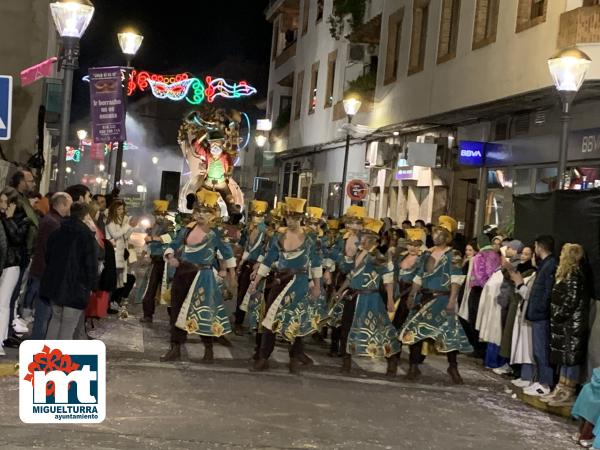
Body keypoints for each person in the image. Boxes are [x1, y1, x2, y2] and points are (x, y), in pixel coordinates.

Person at [160, 189, 237, 363]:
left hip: (203, 275)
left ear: (214, 214)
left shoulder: (217, 232)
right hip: (182, 273)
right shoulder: (187, 229)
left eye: (206, 212)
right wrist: (171, 256)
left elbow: (227, 253)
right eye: (199, 211)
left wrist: (231, 274)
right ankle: (175, 348)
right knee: (177, 310)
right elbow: (174, 243)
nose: (201, 215)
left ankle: (208, 350)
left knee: (204, 312)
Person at [248, 197, 322, 374]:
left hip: (300, 283)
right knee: (269, 320)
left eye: (295, 217)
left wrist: (317, 286)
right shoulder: (278, 237)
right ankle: (264, 357)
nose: (291, 221)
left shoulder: (310, 238)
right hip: (280, 281)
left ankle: (294, 359)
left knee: (295, 320)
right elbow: (268, 260)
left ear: (301, 218)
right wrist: (255, 282)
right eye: (288, 217)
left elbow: (316, 263)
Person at [400, 215, 473, 384]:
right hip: (423, 297)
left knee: (449, 335)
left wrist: (452, 300)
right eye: (435, 231)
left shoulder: (453, 254)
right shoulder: (426, 254)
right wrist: (412, 295)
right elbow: (419, 275)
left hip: (442, 298)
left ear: (447, 236)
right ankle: (413, 366)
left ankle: (452, 367)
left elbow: (456, 279)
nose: (435, 235)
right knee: (415, 333)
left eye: (440, 232)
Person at [334, 217, 401, 376]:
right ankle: (346, 361)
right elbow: (351, 275)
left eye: (364, 236)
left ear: (373, 239)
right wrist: (340, 291)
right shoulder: (358, 253)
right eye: (362, 235)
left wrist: (390, 300)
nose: (361, 238)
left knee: (380, 330)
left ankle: (391, 359)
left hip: (371, 299)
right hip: (353, 296)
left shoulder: (377, 256)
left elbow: (388, 279)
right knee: (346, 328)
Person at [540, 243, 589, 406]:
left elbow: (571, 300)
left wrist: (559, 315)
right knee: (564, 357)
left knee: (570, 357)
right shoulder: (566, 274)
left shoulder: (574, 275)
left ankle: (568, 392)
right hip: (565, 324)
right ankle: (560, 388)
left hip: (571, 325)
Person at [42, 203, 98, 340]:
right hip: (76, 287)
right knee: (68, 326)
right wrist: (92, 286)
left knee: (55, 321)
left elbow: (48, 256)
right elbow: (91, 264)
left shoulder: (57, 232)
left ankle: (48, 358)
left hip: (55, 285)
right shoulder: (86, 236)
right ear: (85, 216)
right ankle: (62, 359)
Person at [516, 235, 557, 397]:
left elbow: (546, 292)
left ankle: (544, 384)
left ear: (540, 247)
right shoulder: (546, 265)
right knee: (538, 350)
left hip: (541, 314)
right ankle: (540, 380)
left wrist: (540, 309)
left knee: (541, 350)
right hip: (539, 313)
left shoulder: (550, 265)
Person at [29, 192, 73, 339]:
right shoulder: (54, 223)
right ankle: (38, 348)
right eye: (69, 204)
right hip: (45, 273)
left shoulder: (52, 220)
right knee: (44, 313)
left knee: (45, 313)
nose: (70, 208)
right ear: (62, 204)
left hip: (44, 272)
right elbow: (52, 251)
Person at [326, 205, 366, 357]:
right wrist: (329, 270)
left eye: (355, 222)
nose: (351, 225)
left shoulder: (365, 240)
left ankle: (346, 347)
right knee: (335, 311)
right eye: (349, 221)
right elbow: (333, 253)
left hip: (355, 280)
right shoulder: (341, 237)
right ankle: (334, 344)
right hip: (339, 277)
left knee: (349, 315)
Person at [7, 169, 38, 340]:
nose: (32, 183)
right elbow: (15, 229)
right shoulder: (17, 200)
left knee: (15, 294)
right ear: (21, 181)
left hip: (22, 253)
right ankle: (7, 330)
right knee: (10, 295)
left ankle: (10, 327)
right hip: (16, 253)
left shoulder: (23, 200)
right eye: (30, 180)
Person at [0, 187, 29, 354]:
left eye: (7, 202)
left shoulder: (21, 219)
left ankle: (1, 341)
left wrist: (9, 220)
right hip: (5, 264)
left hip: (11, 265)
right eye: (1, 201)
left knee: (3, 305)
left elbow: (17, 239)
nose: (4, 205)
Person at [233, 199, 268, 335]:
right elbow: (242, 245)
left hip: (259, 265)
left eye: (259, 215)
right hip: (247, 263)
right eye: (254, 214)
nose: (256, 217)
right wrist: (238, 261)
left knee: (256, 295)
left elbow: (266, 250)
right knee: (242, 292)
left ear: (264, 216)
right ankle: (238, 322)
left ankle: (255, 325)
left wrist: (260, 264)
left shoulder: (266, 231)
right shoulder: (248, 228)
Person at [140, 200, 172, 323]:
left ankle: (173, 317)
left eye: (161, 214)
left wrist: (153, 238)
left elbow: (170, 238)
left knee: (169, 289)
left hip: (166, 261)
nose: (159, 216)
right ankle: (148, 314)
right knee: (150, 288)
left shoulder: (169, 225)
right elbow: (147, 243)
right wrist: (144, 255)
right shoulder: (153, 226)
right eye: (157, 214)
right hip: (155, 260)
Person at [106, 200, 137, 309]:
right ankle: (112, 301)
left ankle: (115, 301)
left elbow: (126, 236)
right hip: (115, 254)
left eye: (122, 209)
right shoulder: (110, 222)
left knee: (122, 279)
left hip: (122, 253)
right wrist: (127, 226)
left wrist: (131, 227)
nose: (121, 211)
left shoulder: (122, 221)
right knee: (117, 279)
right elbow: (115, 235)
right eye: (119, 209)